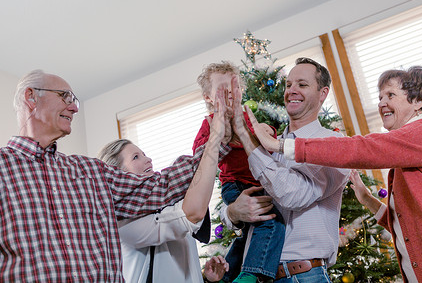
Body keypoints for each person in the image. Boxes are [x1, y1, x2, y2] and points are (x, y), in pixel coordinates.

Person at [0, 69, 230, 282]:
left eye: (74, 100)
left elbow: (161, 187)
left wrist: (218, 138)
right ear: (31, 97)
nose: (74, 107)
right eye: (64, 96)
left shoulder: (89, 171)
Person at [247, 65, 422, 282]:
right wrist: (368, 201)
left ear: (418, 101)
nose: (382, 103)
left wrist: (281, 146)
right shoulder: (409, 154)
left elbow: (363, 148)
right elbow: (407, 226)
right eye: (380, 97)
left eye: (391, 95)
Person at [224, 57, 351, 282]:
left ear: (323, 93)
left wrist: (245, 135)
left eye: (302, 85)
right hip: (262, 275)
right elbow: (243, 196)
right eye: (288, 85)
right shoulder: (266, 143)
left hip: (304, 276)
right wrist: (232, 213)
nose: (291, 90)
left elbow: (293, 194)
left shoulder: (334, 144)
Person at [194, 62, 285, 282]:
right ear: (208, 97)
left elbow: (266, 136)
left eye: (233, 88)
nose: (228, 94)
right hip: (235, 185)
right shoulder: (210, 123)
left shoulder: (246, 115)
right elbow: (198, 156)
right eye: (221, 89)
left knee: (249, 235)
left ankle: (228, 276)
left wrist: (268, 129)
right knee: (271, 222)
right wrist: (221, 135)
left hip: (258, 183)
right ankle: (252, 274)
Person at [98, 139, 229, 282]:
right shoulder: (125, 225)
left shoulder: (167, 208)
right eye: (136, 157)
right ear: (118, 176)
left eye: (144, 154)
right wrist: (217, 140)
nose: (148, 160)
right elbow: (193, 214)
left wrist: (207, 279)